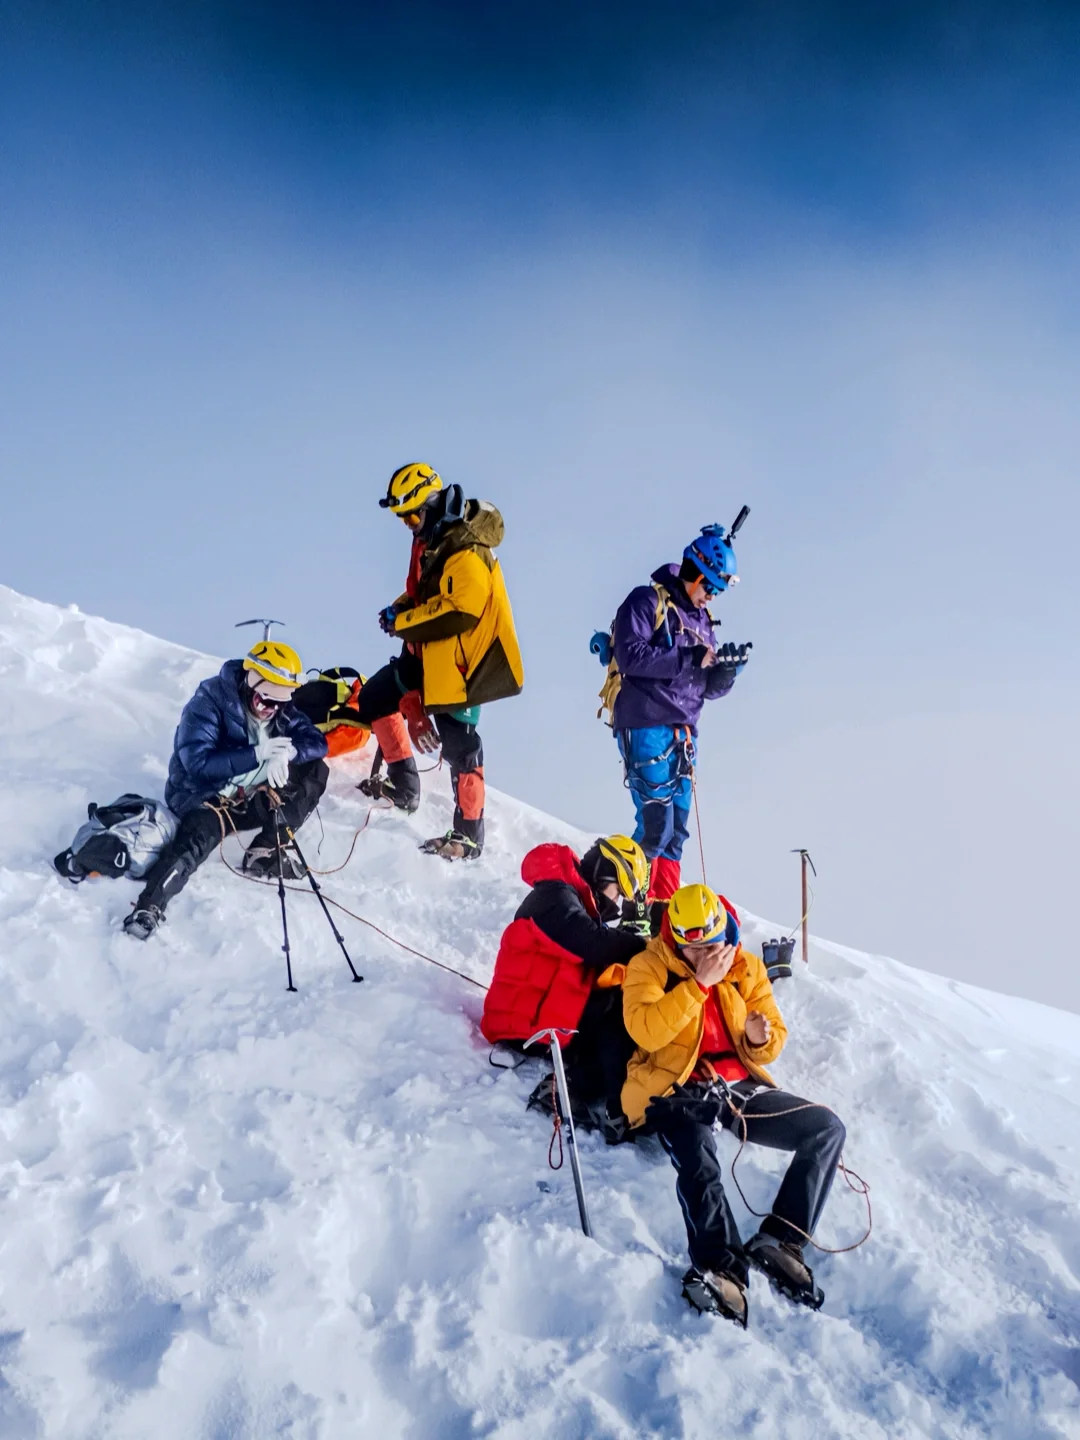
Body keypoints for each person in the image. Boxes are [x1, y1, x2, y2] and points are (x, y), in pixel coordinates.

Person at [622, 883, 847, 1325]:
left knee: (825, 1128)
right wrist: (696, 987)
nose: (703, 956)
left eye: (710, 945)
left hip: (737, 1087)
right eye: (693, 949)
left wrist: (757, 1039)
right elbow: (645, 1031)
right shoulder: (648, 965)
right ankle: (722, 1268)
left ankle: (782, 1240)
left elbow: (772, 1035)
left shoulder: (745, 967)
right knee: (698, 1158)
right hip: (675, 1086)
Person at [355, 462, 523, 860]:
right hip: (425, 653)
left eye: (413, 514)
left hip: (461, 668)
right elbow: (421, 592)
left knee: (461, 745)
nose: (408, 524)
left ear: (432, 505)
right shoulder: (428, 538)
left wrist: (404, 623)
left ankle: (468, 836)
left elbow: (458, 612)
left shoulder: (465, 549)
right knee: (376, 697)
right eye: (403, 517)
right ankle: (405, 788)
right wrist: (398, 610)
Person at [123, 639, 329, 939]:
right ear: (250, 682)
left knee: (316, 770)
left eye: (279, 703)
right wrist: (258, 754)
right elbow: (197, 762)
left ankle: (265, 848)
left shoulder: (280, 709)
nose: (270, 710)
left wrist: (289, 753)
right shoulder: (208, 701)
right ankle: (149, 907)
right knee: (194, 844)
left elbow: (317, 742)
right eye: (264, 700)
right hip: (204, 798)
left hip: (248, 798)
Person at [609, 524, 751, 904]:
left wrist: (726, 674)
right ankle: (623, 900)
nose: (712, 597)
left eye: (718, 592)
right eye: (710, 588)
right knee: (656, 826)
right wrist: (689, 657)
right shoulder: (645, 602)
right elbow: (630, 656)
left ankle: (661, 906)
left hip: (684, 734)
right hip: (645, 723)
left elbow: (704, 686)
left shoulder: (704, 624)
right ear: (695, 572)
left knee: (676, 832)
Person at [482, 835, 650, 1131]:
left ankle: (610, 1089)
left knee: (623, 1005)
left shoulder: (569, 899)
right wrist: (645, 946)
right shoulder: (555, 897)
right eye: (618, 891)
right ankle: (577, 1091)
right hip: (522, 1024)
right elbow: (591, 943)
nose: (617, 902)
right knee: (618, 1015)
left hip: (538, 1014)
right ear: (605, 873)